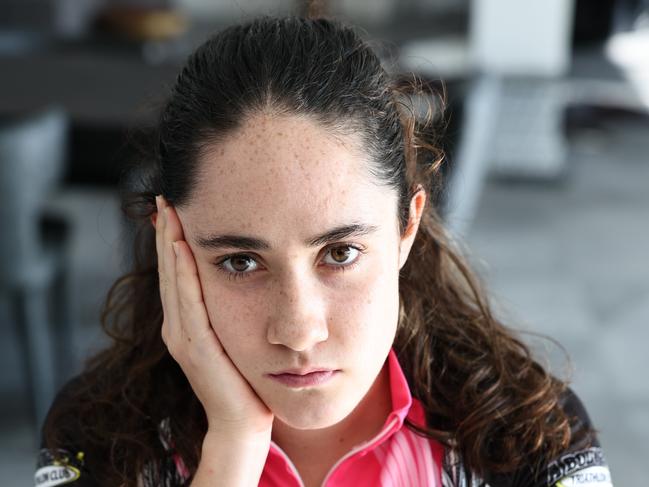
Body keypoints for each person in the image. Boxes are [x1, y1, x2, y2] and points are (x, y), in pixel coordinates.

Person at [36, 16, 613, 487]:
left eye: (339, 253)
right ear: (173, 241)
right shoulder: (93, 440)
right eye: (241, 261)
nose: (297, 331)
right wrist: (234, 445)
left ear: (405, 228)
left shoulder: (533, 439)